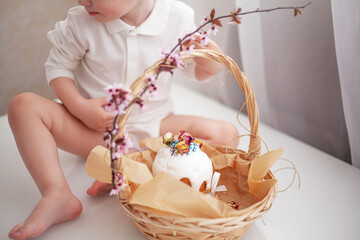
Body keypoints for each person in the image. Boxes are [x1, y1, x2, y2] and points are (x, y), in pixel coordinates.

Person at [7, 0, 238, 239]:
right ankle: (57, 193)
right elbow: (58, 67)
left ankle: (129, 170)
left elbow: (197, 70)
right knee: (23, 106)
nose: (82, 1)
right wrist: (80, 108)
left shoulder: (178, 17)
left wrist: (210, 62)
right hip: (98, 133)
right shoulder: (81, 21)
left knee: (227, 134)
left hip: (157, 131)